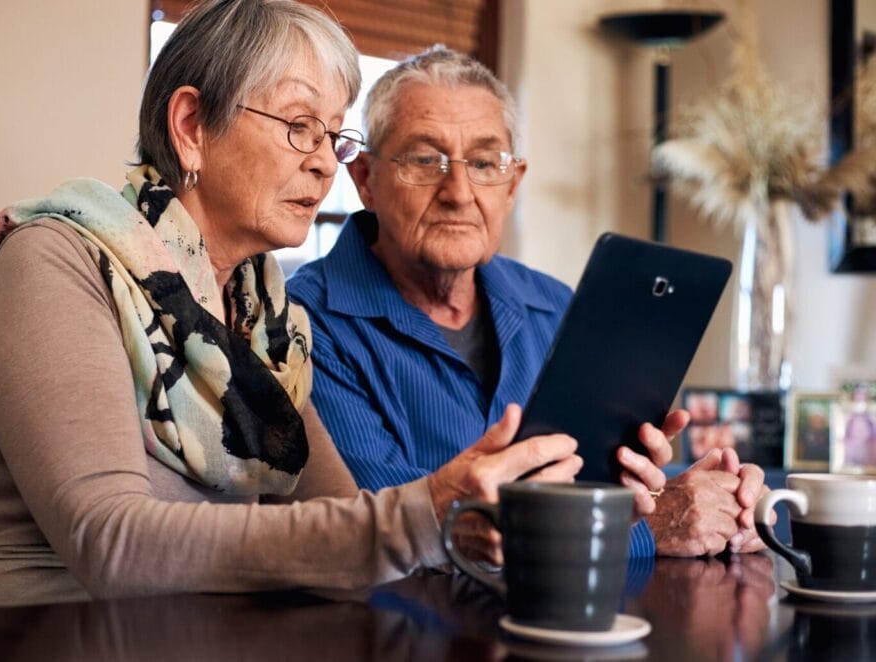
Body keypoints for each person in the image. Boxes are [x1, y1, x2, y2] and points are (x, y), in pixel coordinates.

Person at [0, 0, 665, 611]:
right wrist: (425, 512)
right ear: (192, 126)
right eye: (299, 126)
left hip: (190, 630)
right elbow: (109, 542)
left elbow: (348, 522)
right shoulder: (58, 258)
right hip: (12, 629)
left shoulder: (266, 319)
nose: (326, 162)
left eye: (334, 134)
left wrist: (491, 514)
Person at [288, 47, 767, 558]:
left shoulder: (555, 306)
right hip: (397, 631)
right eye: (425, 160)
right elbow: (386, 531)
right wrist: (649, 527)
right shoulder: (301, 322)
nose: (458, 191)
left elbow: (616, 488)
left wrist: (698, 500)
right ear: (365, 180)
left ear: (512, 184)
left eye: (485, 163)